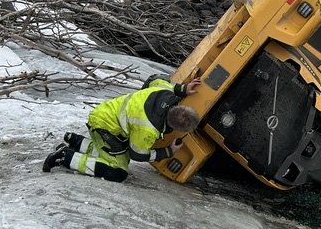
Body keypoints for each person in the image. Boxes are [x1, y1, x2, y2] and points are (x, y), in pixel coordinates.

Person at [43, 75, 202, 182]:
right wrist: (168, 151)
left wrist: (182, 89)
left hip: (106, 113)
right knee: (118, 171)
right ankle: (65, 157)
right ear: (175, 127)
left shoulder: (166, 91)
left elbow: (155, 79)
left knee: (119, 153)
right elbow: (138, 155)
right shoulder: (148, 129)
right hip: (103, 126)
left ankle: (77, 142)